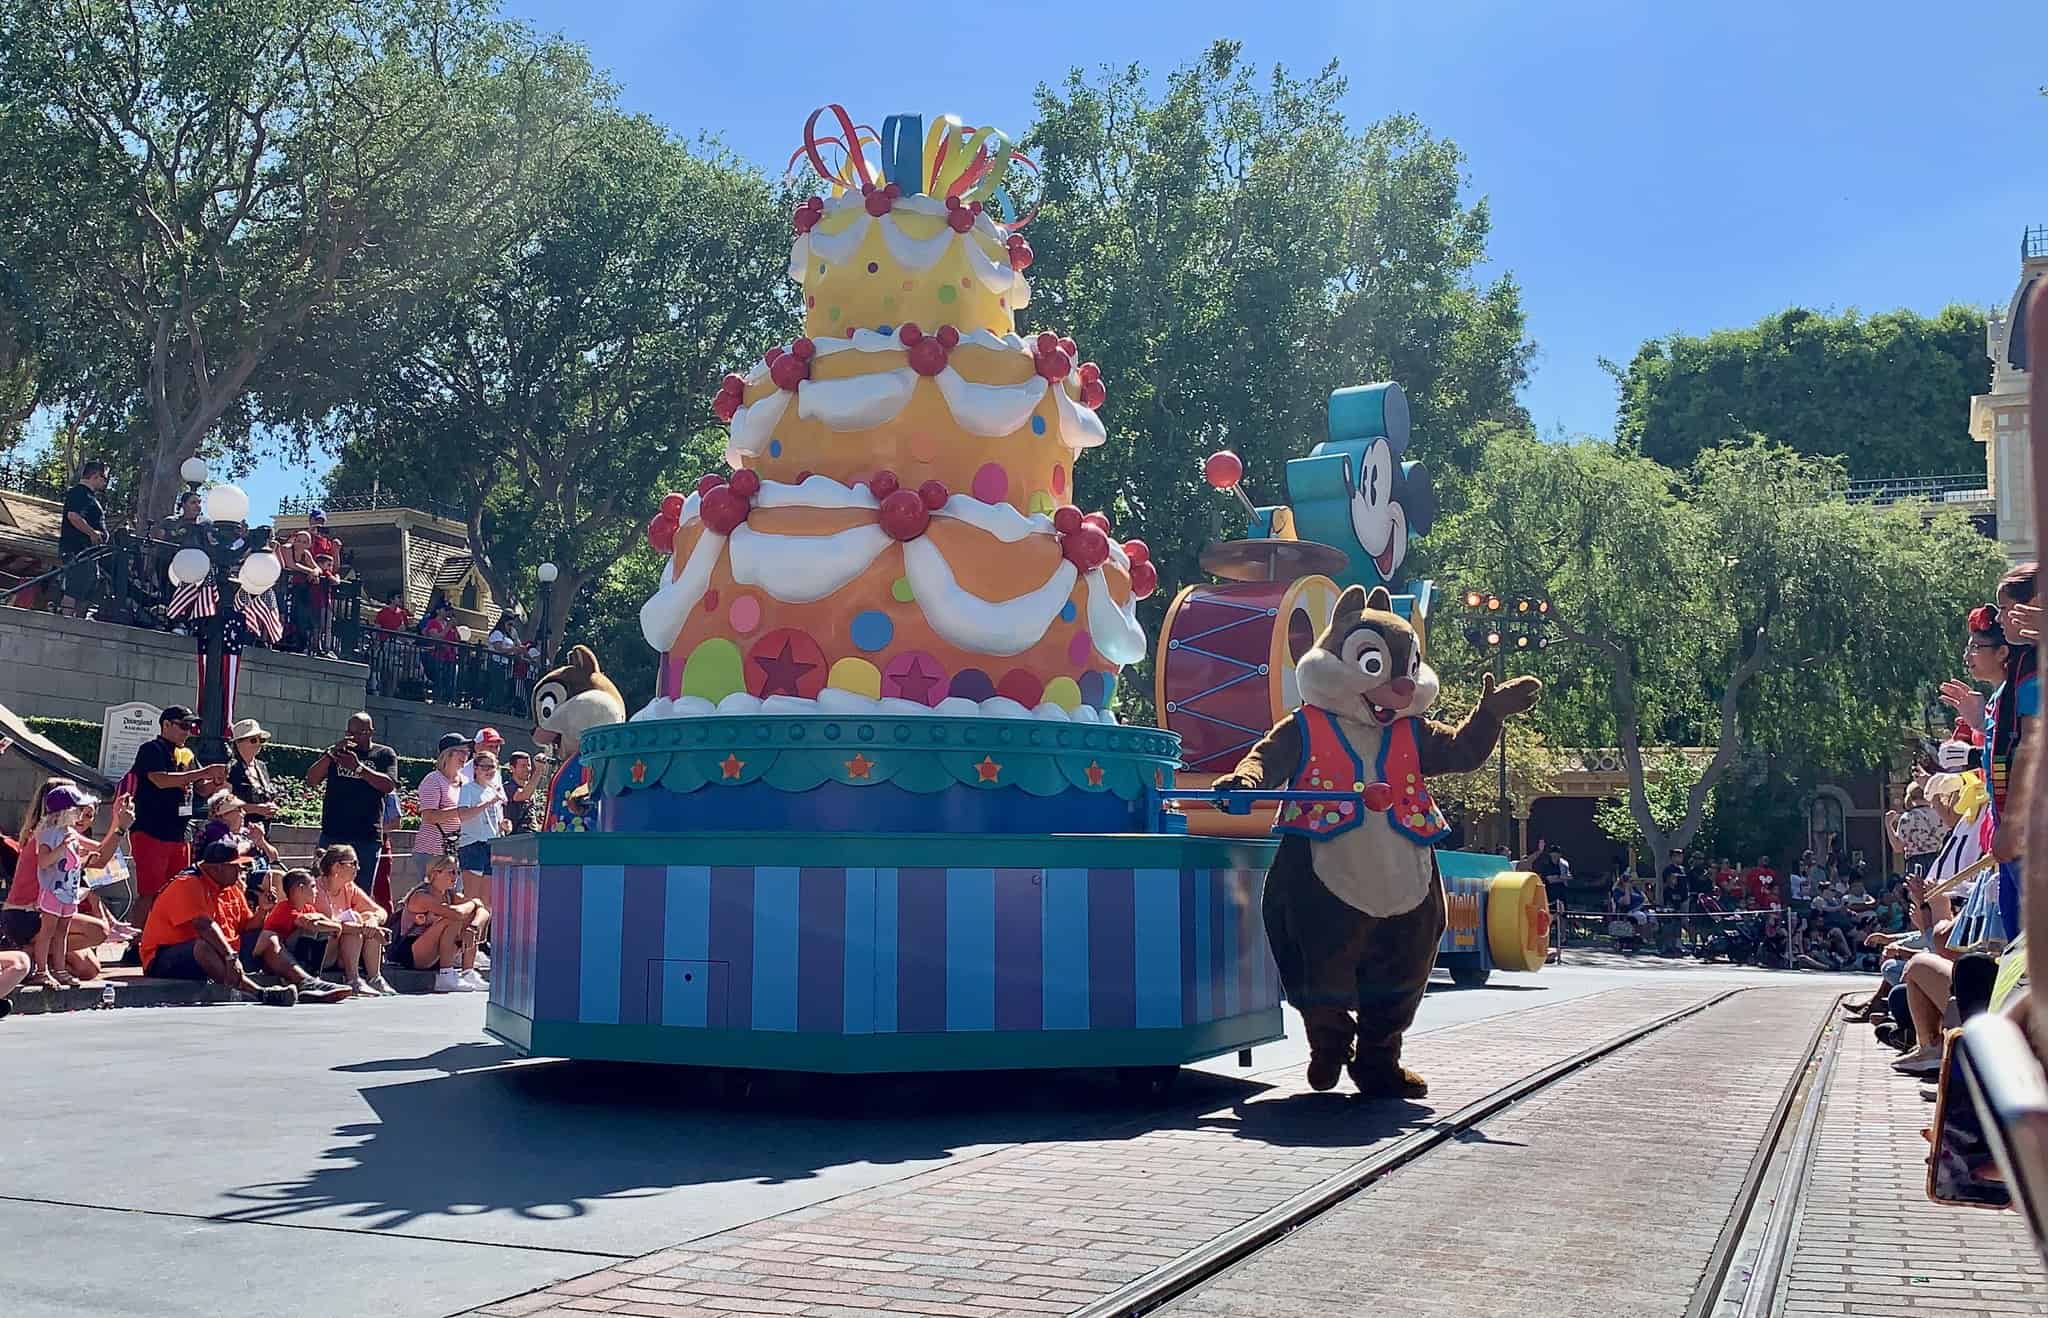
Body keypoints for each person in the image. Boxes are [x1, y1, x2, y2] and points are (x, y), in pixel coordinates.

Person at [137, 840, 349, 1003]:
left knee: (267, 936)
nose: (241, 871)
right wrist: (230, 957)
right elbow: (204, 925)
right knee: (204, 945)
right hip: (165, 958)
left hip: (223, 951)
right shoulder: (188, 883)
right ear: (219, 867)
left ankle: (306, 983)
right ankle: (255, 992)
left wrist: (263, 912)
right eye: (236, 867)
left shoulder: (231, 887)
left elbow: (246, 927)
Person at [124, 705, 226, 945]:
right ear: (166, 725)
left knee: (177, 891)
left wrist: (214, 782)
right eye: (183, 725)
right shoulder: (151, 749)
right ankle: (135, 942)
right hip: (151, 830)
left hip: (180, 832)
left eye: (191, 726)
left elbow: (200, 788)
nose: (188, 731)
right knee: (149, 892)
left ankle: (167, 939)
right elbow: (159, 780)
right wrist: (202, 772)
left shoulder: (187, 754)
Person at [26, 786, 133, 989]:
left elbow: (100, 849)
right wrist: (62, 849)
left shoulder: (71, 833)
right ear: (65, 811)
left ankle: (60, 970)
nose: (80, 814)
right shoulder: (48, 833)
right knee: (47, 932)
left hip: (68, 894)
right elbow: (44, 861)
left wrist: (117, 821)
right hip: (52, 892)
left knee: (62, 934)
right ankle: (42, 971)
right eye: (77, 809)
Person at [308, 712, 398, 893]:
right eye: (349, 733)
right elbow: (311, 779)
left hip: (366, 836)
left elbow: (389, 785)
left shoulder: (384, 754)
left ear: (370, 732)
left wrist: (358, 768)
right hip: (333, 833)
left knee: (360, 891)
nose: (352, 738)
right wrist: (329, 755)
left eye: (358, 733)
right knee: (323, 886)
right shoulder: (337, 754)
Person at [391, 852, 489, 992]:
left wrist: (473, 926)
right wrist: (474, 903)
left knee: (471, 915)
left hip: (436, 953)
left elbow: (484, 911)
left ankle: (468, 972)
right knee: (454, 918)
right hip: (414, 953)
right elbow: (457, 913)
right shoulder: (422, 896)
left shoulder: (450, 895)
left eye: (457, 872)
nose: (456, 877)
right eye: (451, 872)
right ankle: (446, 975)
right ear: (436, 873)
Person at [310, 846, 395, 995]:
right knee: (358, 921)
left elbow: (380, 911)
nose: (358, 868)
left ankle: (375, 978)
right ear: (337, 867)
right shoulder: (317, 888)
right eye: (354, 863)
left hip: (345, 951)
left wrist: (372, 921)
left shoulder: (349, 887)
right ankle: (352, 979)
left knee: (368, 918)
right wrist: (364, 928)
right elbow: (331, 925)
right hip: (322, 952)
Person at [414, 733, 487, 885]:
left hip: (458, 852)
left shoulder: (467, 782)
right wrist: (460, 810)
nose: (466, 756)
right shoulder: (432, 780)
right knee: (432, 896)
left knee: (454, 897)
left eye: (467, 752)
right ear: (448, 754)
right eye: (461, 751)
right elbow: (429, 816)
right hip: (432, 852)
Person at [57, 458, 109, 616]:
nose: (106, 483)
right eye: (105, 478)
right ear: (95, 476)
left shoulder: (90, 496)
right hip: (77, 551)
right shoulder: (79, 492)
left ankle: (78, 622)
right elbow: (73, 516)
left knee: (89, 589)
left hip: (89, 554)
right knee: (75, 588)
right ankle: (66, 622)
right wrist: (92, 533)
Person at [456, 749, 509, 898]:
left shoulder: (494, 790)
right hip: (473, 845)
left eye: (492, 767)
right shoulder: (467, 789)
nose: (489, 771)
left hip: (492, 845)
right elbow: (463, 815)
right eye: (484, 767)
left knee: (487, 902)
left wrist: (504, 825)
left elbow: (494, 821)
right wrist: (487, 803)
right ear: (476, 768)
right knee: (471, 898)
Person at [225, 718, 279, 827]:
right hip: (238, 831)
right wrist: (257, 809)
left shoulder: (261, 766)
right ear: (238, 743)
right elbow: (225, 804)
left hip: (262, 830)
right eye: (253, 740)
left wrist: (271, 807)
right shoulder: (231, 768)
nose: (259, 744)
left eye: (261, 740)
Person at [503, 750, 539, 835]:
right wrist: (539, 771)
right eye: (523, 766)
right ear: (512, 768)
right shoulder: (508, 787)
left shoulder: (529, 788)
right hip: (515, 837)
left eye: (529, 765)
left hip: (532, 834)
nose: (527, 769)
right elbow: (523, 795)